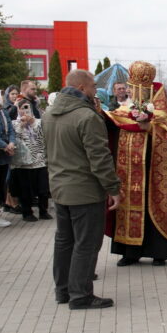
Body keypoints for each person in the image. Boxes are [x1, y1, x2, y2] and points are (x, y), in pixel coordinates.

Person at [44, 69, 120, 309]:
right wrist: (113, 187)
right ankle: (81, 295)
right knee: (86, 243)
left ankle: (63, 290)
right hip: (85, 191)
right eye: (92, 88)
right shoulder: (86, 117)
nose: (94, 92)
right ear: (81, 88)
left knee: (64, 240)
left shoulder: (49, 114)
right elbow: (100, 157)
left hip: (59, 187)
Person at [105, 61, 167, 267]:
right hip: (128, 168)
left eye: (133, 87)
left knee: (151, 205)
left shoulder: (161, 109)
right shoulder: (123, 108)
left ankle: (159, 251)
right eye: (129, 87)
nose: (130, 90)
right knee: (128, 204)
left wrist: (148, 127)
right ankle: (130, 252)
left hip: (153, 169)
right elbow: (116, 123)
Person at [9, 99, 50, 221]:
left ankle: (43, 211)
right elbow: (14, 138)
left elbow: (43, 137)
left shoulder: (39, 122)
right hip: (23, 164)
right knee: (25, 190)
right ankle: (27, 213)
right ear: (18, 109)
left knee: (43, 189)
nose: (25, 110)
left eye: (27, 107)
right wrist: (22, 125)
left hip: (40, 160)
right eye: (22, 108)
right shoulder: (14, 123)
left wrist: (32, 123)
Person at [0, 98, 15, 228]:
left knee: (3, 184)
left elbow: (10, 129)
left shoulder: (3, 111)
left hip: (5, 155)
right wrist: (5, 145)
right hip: (1, 151)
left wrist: (11, 143)